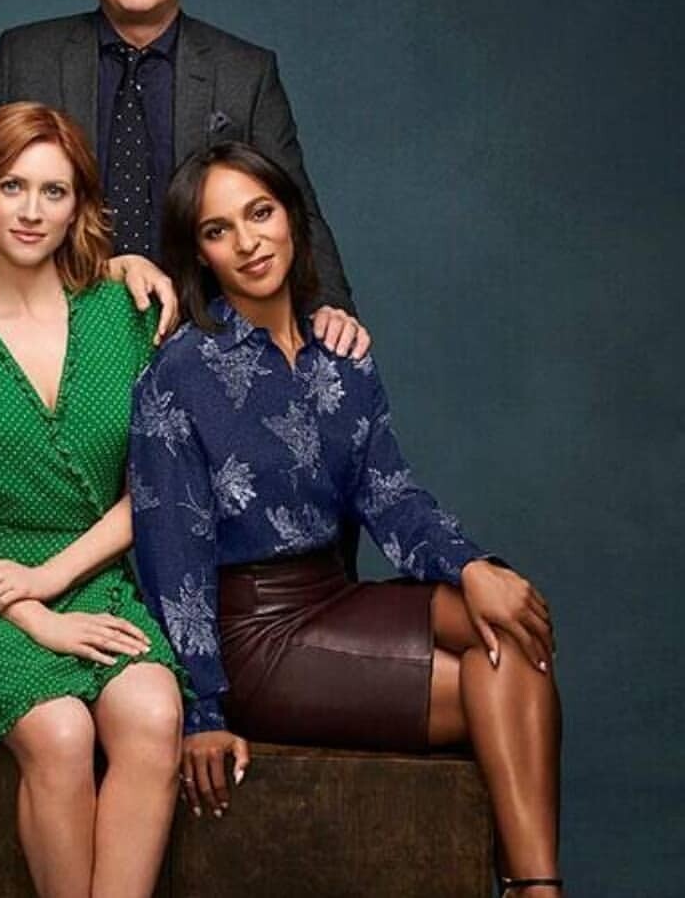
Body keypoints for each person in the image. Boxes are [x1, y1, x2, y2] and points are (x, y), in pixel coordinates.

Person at [129, 142, 563, 898]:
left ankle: (533, 887)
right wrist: (201, 708)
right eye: (219, 230)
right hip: (256, 636)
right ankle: (538, 887)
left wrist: (472, 567)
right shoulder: (180, 372)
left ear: (292, 217)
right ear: (198, 253)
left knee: (510, 627)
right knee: (506, 677)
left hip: (335, 597)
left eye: (260, 213)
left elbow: (390, 495)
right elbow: (173, 554)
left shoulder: (341, 354)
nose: (249, 241)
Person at [0, 102, 186, 898]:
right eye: (12, 186)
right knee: (59, 728)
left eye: (54, 191)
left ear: (79, 205)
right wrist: (31, 612)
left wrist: (52, 579)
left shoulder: (124, 316)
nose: (30, 210)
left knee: (153, 714)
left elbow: (153, 490)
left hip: (89, 571)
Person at [0, 0, 370, 360]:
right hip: (51, 343)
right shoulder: (26, 56)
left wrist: (330, 305)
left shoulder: (245, 73)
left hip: (205, 348)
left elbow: (296, 207)